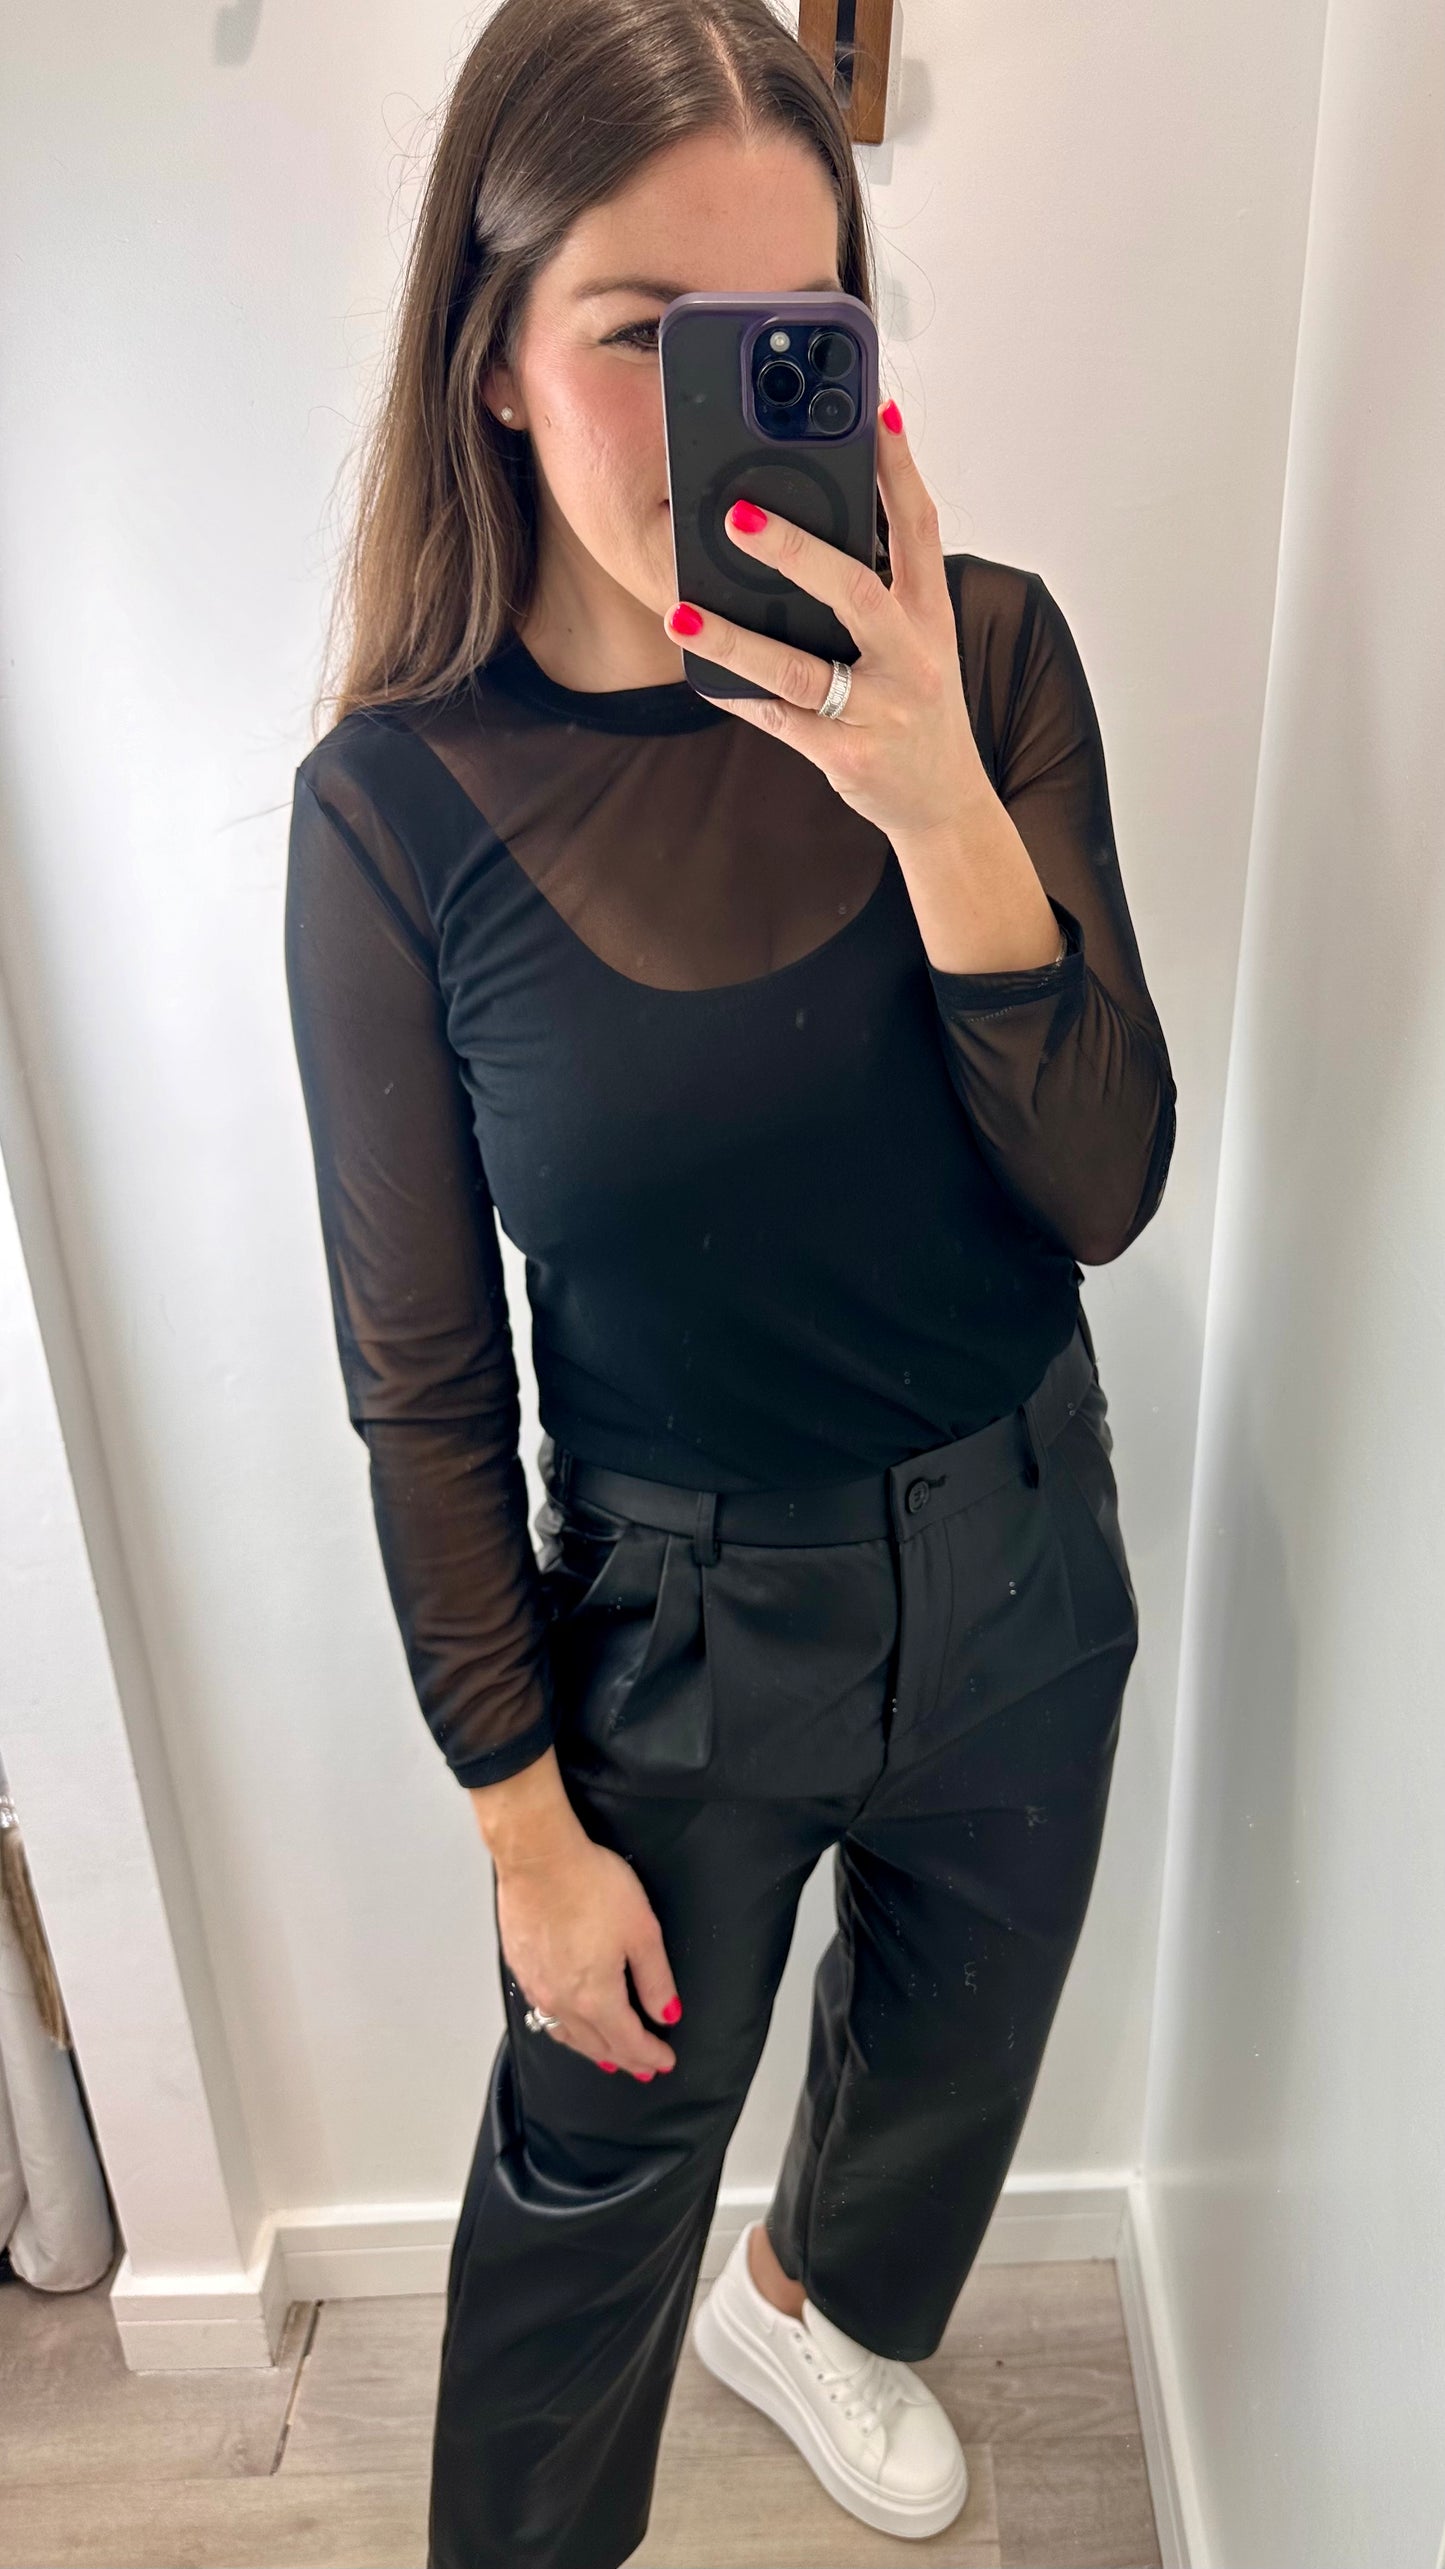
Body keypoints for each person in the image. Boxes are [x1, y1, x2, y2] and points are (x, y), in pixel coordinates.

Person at [283, 1, 1177, 2561]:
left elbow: (1103, 1182)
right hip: (676, 1643)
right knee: (584, 2203)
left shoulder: (988, 658)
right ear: (489, 357)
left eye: (788, 334)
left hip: (1026, 1554)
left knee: (946, 2078)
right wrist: (520, 1828)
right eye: (637, 333)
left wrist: (930, 795)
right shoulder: (394, 812)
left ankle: (808, 2306)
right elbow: (421, 1387)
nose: (716, 412)